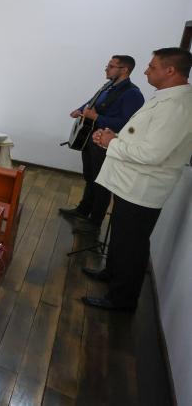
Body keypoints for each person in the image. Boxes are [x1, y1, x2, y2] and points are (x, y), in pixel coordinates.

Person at [82, 47, 192, 312]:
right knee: (121, 237)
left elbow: (153, 154)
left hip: (142, 189)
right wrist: (115, 138)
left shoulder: (176, 105)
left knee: (132, 245)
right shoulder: (165, 98)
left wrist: (111, 144)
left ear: (170, 70)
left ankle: (122, 299)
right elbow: (142, 138)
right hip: (130, 184)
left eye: (152, 67)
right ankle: (111, 273)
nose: (145, 71)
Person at [59, 55, 145, 234]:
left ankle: (95, 221)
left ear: (125, 70)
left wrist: (97, 117)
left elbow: (128, 124)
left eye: (112, 66)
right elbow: (93, 101)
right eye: (108, 65)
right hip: (91, 139)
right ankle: (83, 210)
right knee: (90, 176)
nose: (107, 69)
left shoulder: (132, 94)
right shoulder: (108, 86)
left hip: (106, 144)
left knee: (101, 182)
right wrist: (80, 109)